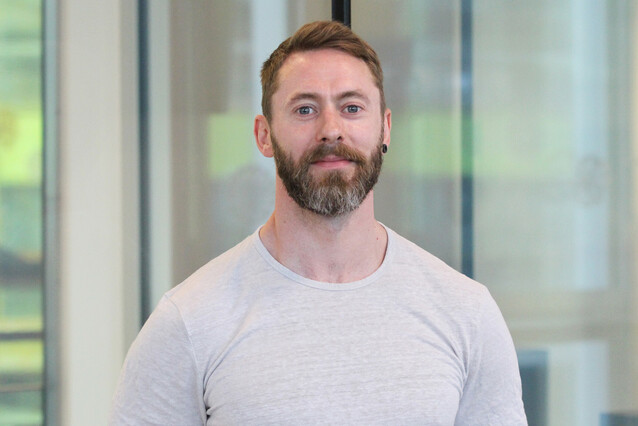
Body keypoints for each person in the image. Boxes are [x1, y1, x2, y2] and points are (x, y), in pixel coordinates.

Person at [110, 21, 527, 425]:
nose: (331, 130)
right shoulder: (189, 321)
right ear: (264, 135)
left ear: (384, 127)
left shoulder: (466, 312)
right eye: (305, 109)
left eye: (352, 107)